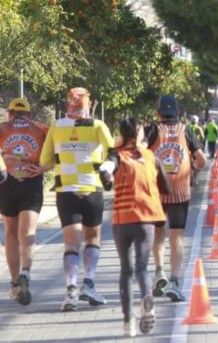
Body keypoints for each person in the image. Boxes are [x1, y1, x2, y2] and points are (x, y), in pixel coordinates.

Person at [39, 87, 115, 311]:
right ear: (88, 105)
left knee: (71, 243)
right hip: (92, 189)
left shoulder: (56, 127)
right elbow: (113, 152)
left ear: (67, 104)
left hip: (66, 192)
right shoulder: (98, 126)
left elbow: (45, 160)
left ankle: (70, 291)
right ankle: (88, 284)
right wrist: (106, 168)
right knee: (92, 240)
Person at [99, 117, 172, 337]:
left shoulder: (116, 155)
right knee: (141, 268)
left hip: (122, 220)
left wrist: (107, 179)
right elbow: (167, 187)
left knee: (126, 270)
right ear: (139, 134)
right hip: (146, 219)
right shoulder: (151, 156)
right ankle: (146, 300)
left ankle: (128, 322)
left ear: (122, 134)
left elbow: (105, 169)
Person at [146, 95, 207, 302]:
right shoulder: (186, 130)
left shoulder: (152, 130)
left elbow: (140, 154)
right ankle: (174, 281)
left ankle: (159, 271)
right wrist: (190, 171)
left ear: (158, 112)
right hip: (180, 191)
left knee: (158, 233)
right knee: (177, 237)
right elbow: (202, 160)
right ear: (178, 112)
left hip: (156, 190)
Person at [0, 98, 46, 305]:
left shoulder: (2, 128)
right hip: (32, 183)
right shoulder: (42, 129)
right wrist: (44, 169)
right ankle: (25, 272)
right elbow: (57, 153)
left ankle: (14, 282)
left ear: (9, 113)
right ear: (29, 114)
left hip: (7, 183)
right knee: (27, 232)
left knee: (10, 232)